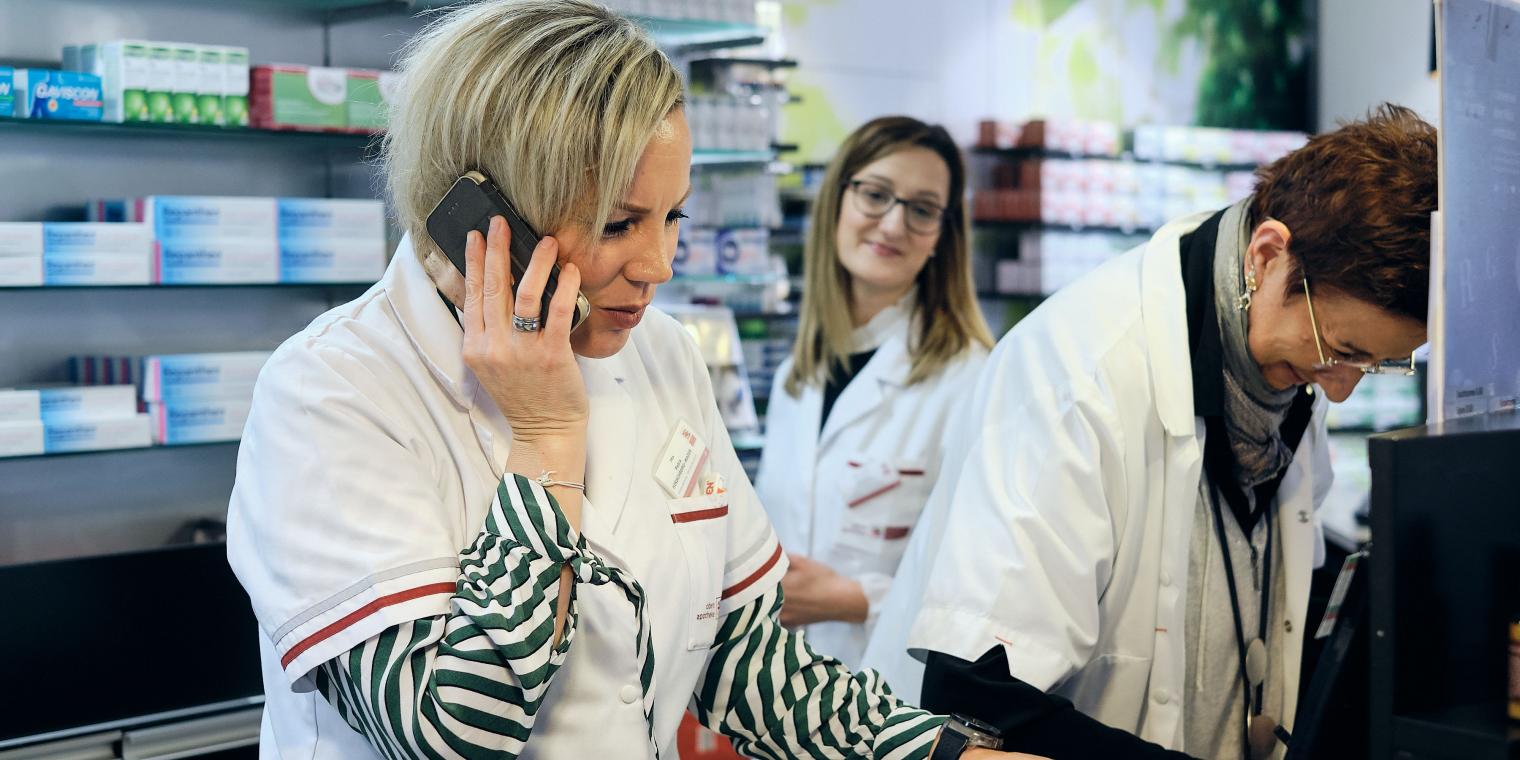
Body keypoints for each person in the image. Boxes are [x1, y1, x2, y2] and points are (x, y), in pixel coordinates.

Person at [226, 3, 1039, 759]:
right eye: (619, 223)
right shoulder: (334, 391)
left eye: (673, 216)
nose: (658, 267)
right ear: (481, 214)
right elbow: (453, 732)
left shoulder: (662, 353)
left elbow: (744, 656)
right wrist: (546, 437)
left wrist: (942, 753)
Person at [865, 104, 1436, 759]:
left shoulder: (1277, 365)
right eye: (1341, 348)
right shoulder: (1082, 374)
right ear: (1268, 254)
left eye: (1378, 361)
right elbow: (974, 696)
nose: (1341, 386)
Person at [754, 116, 992, 670]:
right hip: (780, 698)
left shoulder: (970, 379)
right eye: (876, 195)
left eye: (922, 209)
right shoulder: (800, 373)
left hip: (894, 702)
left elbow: (986, 577)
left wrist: (857, 601)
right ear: (839, 200)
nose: (892, 224)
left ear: (942, 236)